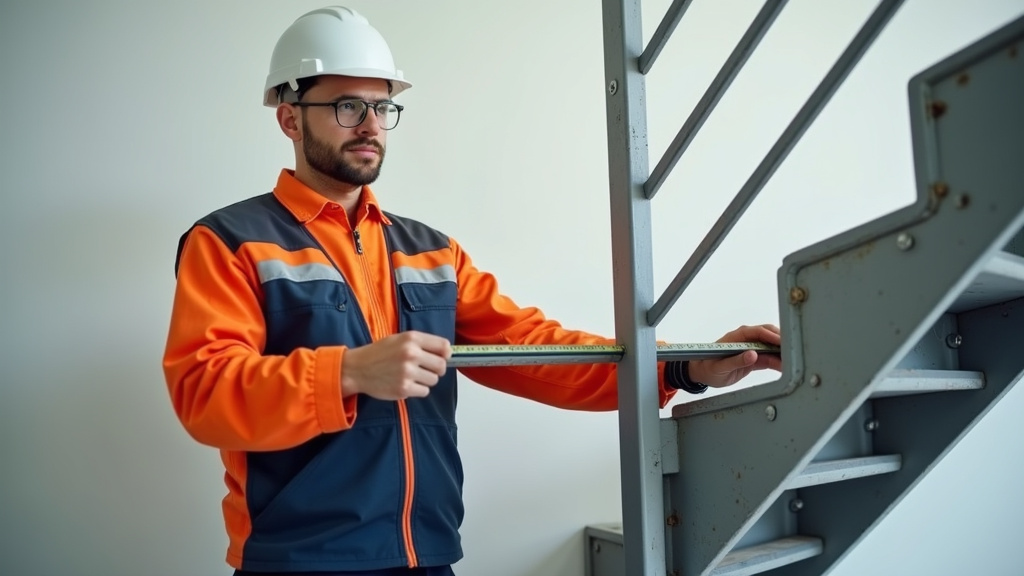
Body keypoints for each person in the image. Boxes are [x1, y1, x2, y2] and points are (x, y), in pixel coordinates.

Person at [162, 6, 782, 576]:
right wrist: (348, 372)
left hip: (428, 554)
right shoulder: (230, 241)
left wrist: (682, 366)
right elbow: (206, 391)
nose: (371, 125)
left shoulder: (430, 251)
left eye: (383, 107)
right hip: (298, 560)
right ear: (289, 117)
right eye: (347, 106)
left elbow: (537, 351)